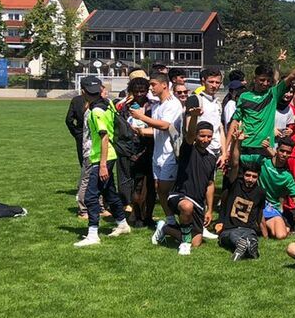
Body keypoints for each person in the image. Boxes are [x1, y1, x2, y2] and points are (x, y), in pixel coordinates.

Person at [225, 47, 295, 166]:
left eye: (268, 81)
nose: (265, 83)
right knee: (240, 176)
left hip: (264, 147)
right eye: (262, 80)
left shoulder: (272, 94)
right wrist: (226, 149)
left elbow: (291, 76)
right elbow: (235, 121)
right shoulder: (244, 96)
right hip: (244, 145)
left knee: (263, 177)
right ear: (255, 79)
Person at [72, 76, 131, 248]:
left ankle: (93, 234)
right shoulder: (107, 104)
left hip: (102, 157)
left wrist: (103, 165)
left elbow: (104, 137)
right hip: (109, 155)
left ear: (83, 91)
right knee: (109, 192)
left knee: (91, 196)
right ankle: (122, 223)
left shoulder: (96, 111)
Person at [159, 106, 218, 256]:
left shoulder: (212, 158)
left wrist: (209, 210)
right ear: (197, 136)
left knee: (196, 243)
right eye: (202, 136)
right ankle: (184, 244)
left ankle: (165, 229)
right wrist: (194, 117)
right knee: (186, 206)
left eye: (209, 136)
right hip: (180, 196)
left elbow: (210, 185)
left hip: (198, 203)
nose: (205, 140)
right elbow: (190, 134)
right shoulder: (188, 149)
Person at [128, 72, 182, 219]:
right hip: (158, 153)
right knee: (159, 188)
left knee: (165, 189)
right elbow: (155, 129)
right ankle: (170, 220)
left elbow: (165, 125)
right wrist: (139, 130)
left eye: (153, 84)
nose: (150, 88)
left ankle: (184, 218)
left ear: (164, 85)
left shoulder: (172, 104)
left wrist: (141, 116)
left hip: (170, 154)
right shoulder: (158, 105)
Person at [216, 130, 266, 260]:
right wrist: (238, 142)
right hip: (230, 227)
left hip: (248, 229)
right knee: (228, 237)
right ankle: (245, 244)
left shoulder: (260, 192)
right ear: (243, 175)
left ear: (258, 178)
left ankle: (245, 244)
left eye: (254, 177)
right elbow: (235, 163)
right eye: (248, 175)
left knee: (249, 236)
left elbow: (260, 215)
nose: (250, 179)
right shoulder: (235, 184)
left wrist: (265, 234)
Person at [66, 75, 94, 217]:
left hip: (82, 136)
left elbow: (69, 120)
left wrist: (76, 133)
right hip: (94, 136)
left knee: (84, 164)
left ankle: (84, 193)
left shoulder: (76, 100)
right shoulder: (98, 100)